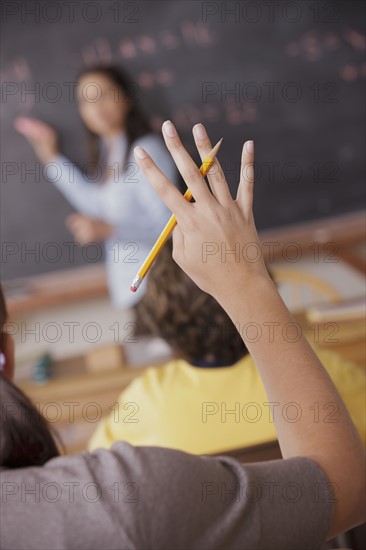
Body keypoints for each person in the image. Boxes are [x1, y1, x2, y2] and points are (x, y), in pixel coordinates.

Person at [1, 122, 365, 549]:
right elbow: (343, 486)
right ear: (5, 352)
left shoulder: (142, 405)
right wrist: (246, 284)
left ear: (162, 323)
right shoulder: (117, 498)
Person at [89, 239, 366, 454]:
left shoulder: (146, 401)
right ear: (262, 291)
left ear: (163, 321)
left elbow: (99, 475)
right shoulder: (316, 369)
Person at [14, 65, 177, 308]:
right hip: (133, 292)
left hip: (160, 287)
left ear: (127, 97)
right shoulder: (107, 154)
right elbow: (96, 206)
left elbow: (170, 228)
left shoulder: (146, 151)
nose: (97, 106)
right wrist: (53, 159)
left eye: (105, 94)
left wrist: (109, 228)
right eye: (87, 100)